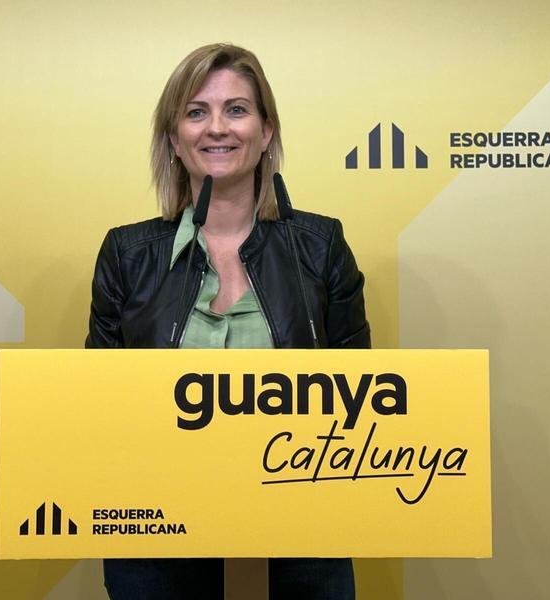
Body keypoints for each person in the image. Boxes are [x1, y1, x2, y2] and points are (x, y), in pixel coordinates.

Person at [86, 43, 369, 600]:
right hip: (156, 537)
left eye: (237, 109)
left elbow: (358, 396)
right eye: (196, 112)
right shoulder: (126, 255)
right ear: (174, 139)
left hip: (305, 532)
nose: (217, 127)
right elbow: (98, 404)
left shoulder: (322, 248)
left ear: (266, 132)